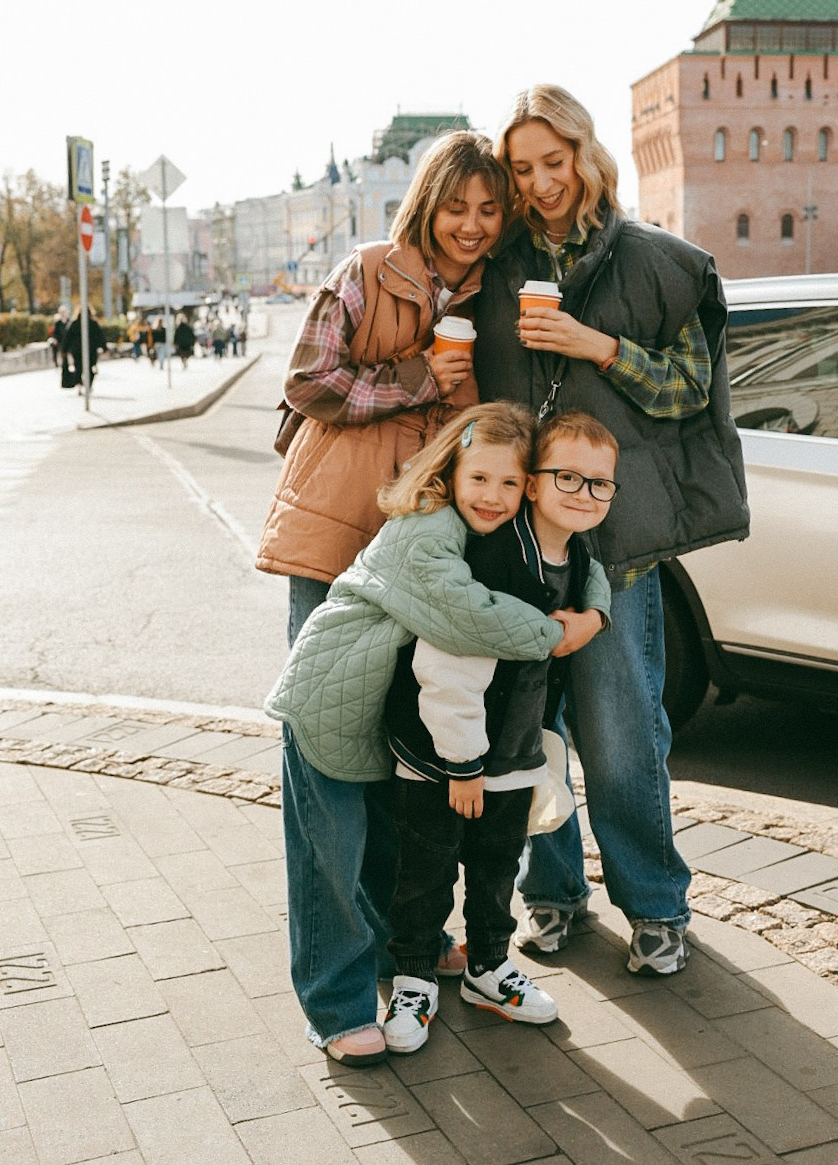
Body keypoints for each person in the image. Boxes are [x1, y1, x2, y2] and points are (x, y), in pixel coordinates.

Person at [473, 84, 750, 977]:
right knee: (524, 728)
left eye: (553, 161)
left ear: (587, 155)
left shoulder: (658, 262)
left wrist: (596, 347)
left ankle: (657, 905)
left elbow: (688, 392)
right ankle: (551, 897)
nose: (541, 183)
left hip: (614, 542)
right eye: (522, 169)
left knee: (621, 730)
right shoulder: (497, 268)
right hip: (518, 540)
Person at [256, 130, 513, 1062]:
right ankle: (334, 996)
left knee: (399, 762)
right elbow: (307, 383)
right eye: (457, 207)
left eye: (489, 211)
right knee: (325, 762)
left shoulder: (492, 303)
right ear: (425, 204)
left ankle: (394, 945)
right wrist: (415, 380)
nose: (472, 228)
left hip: (421, 560)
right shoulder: (367, 271)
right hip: (336, 550)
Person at [265, 403, 590, 1064]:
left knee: (387, 848)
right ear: (450, 469)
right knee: (330, 861)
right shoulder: (426, 528)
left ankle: (401, 951)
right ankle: (336, 1009)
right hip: (331, 704)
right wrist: (562, 634)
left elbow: (583, 563)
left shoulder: (495, 527)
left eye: (510, 483)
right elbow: (466, 617)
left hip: (386, 716)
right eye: (481, 478)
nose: (494, 498)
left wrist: (600, 613)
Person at [380, 410, 617, 1055]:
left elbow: (587, 585)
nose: (583, 494)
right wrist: (461, 765)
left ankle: (488, 967)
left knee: (495, 868)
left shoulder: (575, 553)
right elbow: (447, 664)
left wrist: (596, 612)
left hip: (512, 750)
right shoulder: (490, 558)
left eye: (600, 485)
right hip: (442, 754)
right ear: (538, 486)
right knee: (426, 871)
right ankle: (414, 977)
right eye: (567, 478)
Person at [61, 305, 106, 392]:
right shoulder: (93, 323)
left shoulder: (74, 323)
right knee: (89, 367)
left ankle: (79, 384)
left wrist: (64, 349)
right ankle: (87, 385)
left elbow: (67, 337)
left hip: (78, 350)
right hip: (90, 350)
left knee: (79, 367)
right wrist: (104, 347)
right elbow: (100, 336)